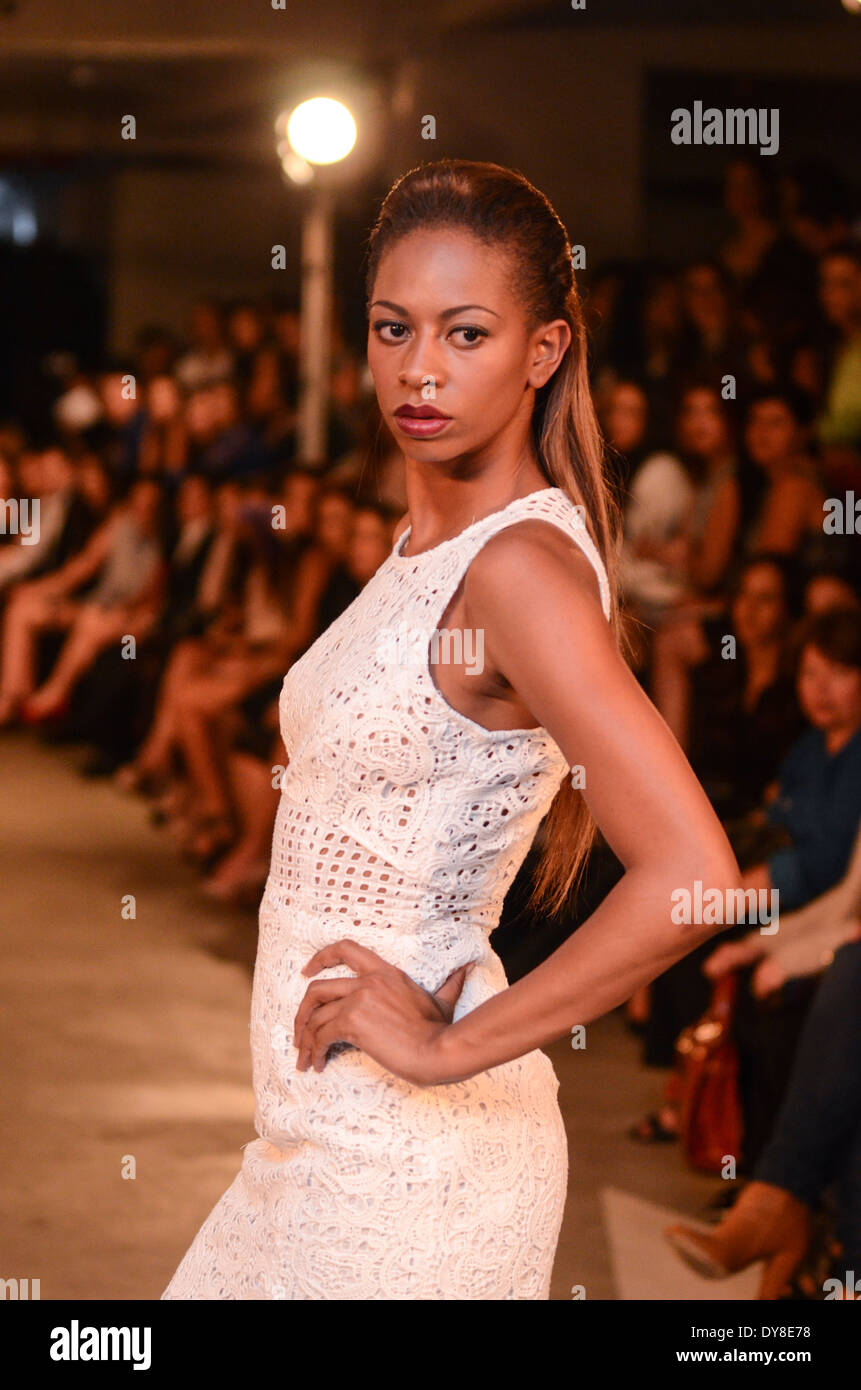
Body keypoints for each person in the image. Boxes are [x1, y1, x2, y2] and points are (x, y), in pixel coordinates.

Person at [160, 158, 739, 1302]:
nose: (418, 369)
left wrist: (442, 1046)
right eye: (393, 328)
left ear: (545, 350)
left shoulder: (519, 568)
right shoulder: (423, 547)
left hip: (410, 1171)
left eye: (466, 334)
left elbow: (691, 876)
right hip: (315, 1146)